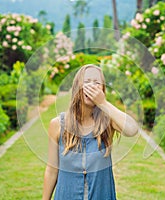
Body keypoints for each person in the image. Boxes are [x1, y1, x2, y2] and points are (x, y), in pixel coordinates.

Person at [42, 64, 139, 200]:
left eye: (97, 83)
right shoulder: (57, 124)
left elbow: (132, 129)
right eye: (87, 82)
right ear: (77, 88)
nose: (92, 86)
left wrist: (103, 103)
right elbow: (52, 171)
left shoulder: (108, 122)